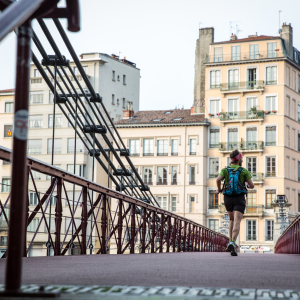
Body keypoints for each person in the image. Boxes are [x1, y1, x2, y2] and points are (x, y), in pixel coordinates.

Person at [216, 150, 254, 256]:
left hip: (228, 198)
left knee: (231, 219)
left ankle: (230, 244)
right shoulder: (243, 171)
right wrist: (245, 184)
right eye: (241, 158)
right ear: (239, 159)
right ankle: (232, 242)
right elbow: (252, 186)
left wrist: (219, 189)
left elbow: (218, 179)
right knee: (237, 221)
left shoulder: (225, 170)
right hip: (239, 198)